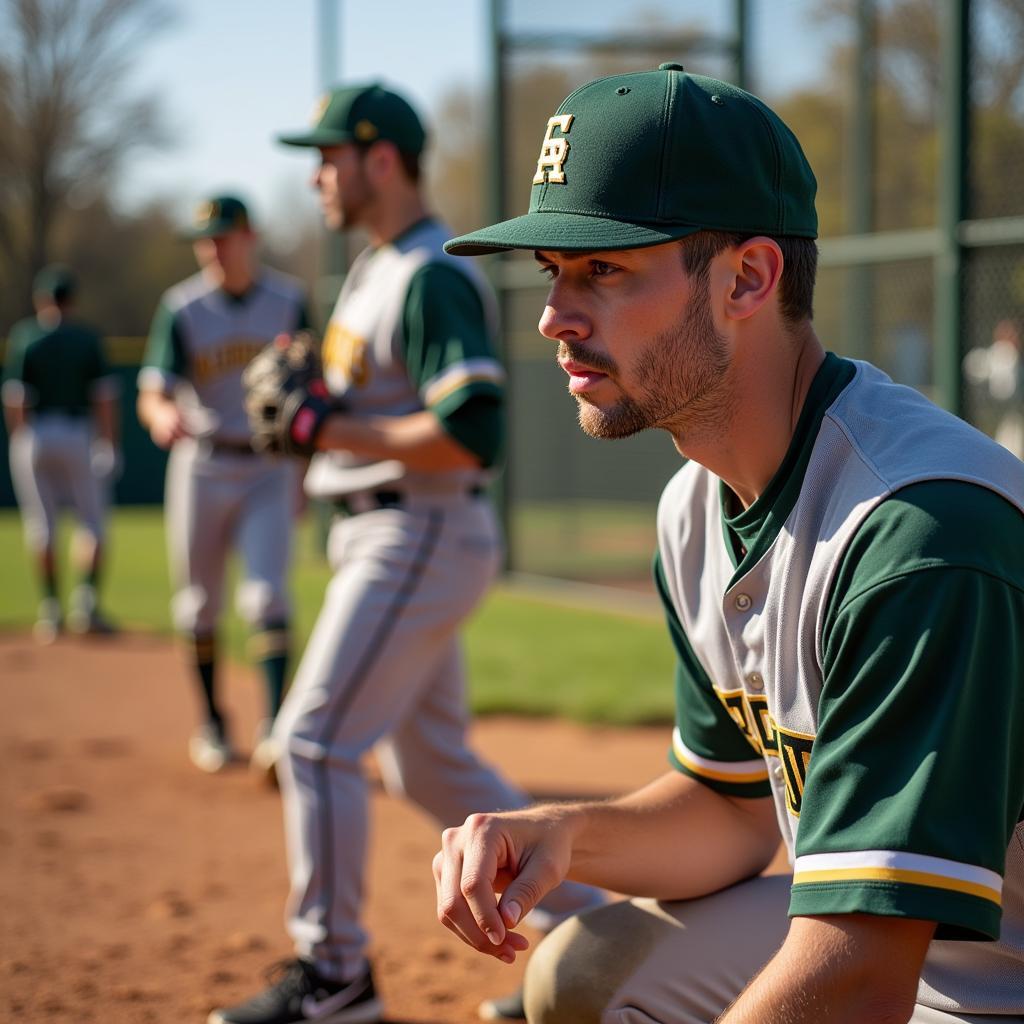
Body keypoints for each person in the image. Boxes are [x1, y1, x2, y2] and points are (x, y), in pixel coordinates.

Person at [434, 64, 1024, 1023]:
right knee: (586, 973)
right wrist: (560, 834)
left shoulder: (920, 531)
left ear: (748, 277)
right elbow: (731, 815)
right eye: (553, 273)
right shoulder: (693, 509)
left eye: (605, 269)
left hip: (996, 984)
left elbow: (859, 978)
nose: (554, 317)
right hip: (915, 947)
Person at [208, 83, 602, 1024]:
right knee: (429, 768)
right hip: (388, 529)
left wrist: (332, 424)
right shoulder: (375, 267)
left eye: (330, 156)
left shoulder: (431, 271)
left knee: (312, 740)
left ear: (380, 160)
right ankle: (603, 934)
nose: (316, 175)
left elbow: (473, 431)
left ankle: (335, 976)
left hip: (416, 525)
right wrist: (332, 403)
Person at [137, 195, 311, 776]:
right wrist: (160, 413)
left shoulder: (288, 299)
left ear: (249, 237)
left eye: (223, 237)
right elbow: (153, 388)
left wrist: (307, 473)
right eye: (205, 239)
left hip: (269, 464)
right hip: (201, 462)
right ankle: (212, 721)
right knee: (198, 604)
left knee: (266, 595)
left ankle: (273, 727)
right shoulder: (182, 306)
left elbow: (316, 383)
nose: (213, 248)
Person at [3, 265, 121, 642]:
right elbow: (104, 398)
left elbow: (16, 399)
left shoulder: (25, 337)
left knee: (43, 526)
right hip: (76, 433)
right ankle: (85, 603)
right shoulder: (86, 339)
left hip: (35, 433)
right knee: (93, 523)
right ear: (71, 300)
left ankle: (51, 610)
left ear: (41, 300)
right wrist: (110, 443)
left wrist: (21, 439)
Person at [963, 318, 1023, 459]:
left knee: (1012, 443)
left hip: (1011, 412)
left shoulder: (1012, 356)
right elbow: (973, 367)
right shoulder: (999, 353)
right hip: (993, 409)